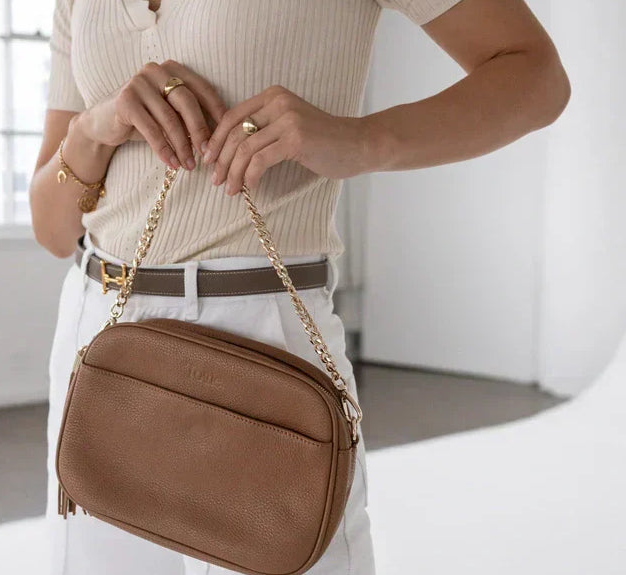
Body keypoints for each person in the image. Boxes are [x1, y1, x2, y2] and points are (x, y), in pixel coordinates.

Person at [28, 0, 570, 573]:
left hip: (260, 332)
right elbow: (53, 229)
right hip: (99, 333)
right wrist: (95, 127)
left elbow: (535, 74)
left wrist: (364, 142)